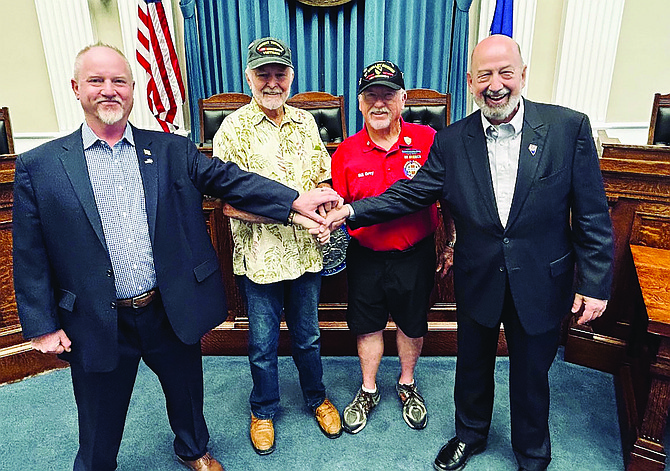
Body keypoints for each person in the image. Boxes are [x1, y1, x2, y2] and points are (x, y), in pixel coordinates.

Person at [12, 43, 340, 471]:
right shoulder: (40, 166)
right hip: (95, 316)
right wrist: (42, 324)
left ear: (133, 89)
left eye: (119, 81)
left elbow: (231, 181)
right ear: (77, 88)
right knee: (98, 418)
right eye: (97, 81)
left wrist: (294, 201)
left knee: (186, 390)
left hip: (167, 305)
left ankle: (193, 450)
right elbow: (29, 252)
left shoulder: (171, 150)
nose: (109, 90)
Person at [324, 35, 613, 471]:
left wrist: (595, 283)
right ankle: (470, 434)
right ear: (470, 82)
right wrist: (352, 209)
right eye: (484, 76)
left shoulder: (568, 128)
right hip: (479, 274)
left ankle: (532, 453)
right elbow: (412, 193)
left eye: (505, 73)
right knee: (473, 364)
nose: (495, 85)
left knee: (532, 373)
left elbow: (591, 213)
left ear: (522, 74)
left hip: (541, 278)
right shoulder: (452, 140)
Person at [212, 37, 342, 456]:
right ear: (248, 76)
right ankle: (263, 409)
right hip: (260, 260)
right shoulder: (232, 129)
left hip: (305, 255)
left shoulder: (306, 123)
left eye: (279, 73)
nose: (272, 81)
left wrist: (324, 210)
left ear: (291, 76)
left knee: (308, 338)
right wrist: (296, 213)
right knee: (263, 344)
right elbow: (230, 205)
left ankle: (316, 397)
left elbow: (323, 178)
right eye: (263, 73)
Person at [330, 60, 446, 434]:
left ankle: (407, 384)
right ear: (359, 104)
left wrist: (453, 243)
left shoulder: (428, 140)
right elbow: (338, 208)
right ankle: (368, 389)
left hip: (416, 254)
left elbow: (451, 195)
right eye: (370, 96)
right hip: (366, 257)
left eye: (387, 94)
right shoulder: (345, 153)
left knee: (413, 324)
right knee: (367, 327)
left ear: (403, 99)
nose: (379, 103)